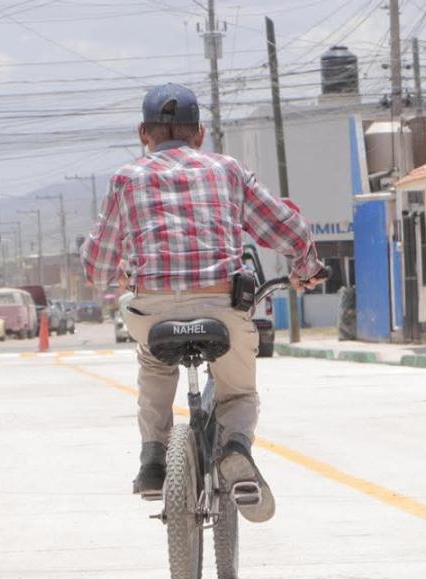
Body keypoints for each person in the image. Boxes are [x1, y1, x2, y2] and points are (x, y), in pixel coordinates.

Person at [81, 83, 325, 522]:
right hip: (221, 308)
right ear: (199, 134)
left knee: (154, 363)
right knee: (238, 391)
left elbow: (96, 267)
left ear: (143, 134)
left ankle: (154, 457)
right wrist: (306, 266)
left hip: (153, 311)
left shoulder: (125, 179)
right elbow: (287, 230)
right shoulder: (228, 170)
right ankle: (234, 447)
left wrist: (111, 268)